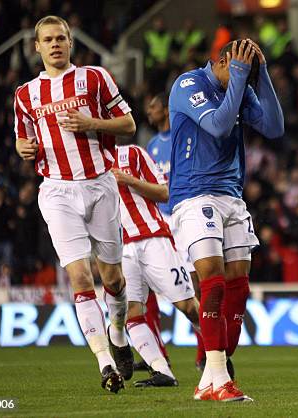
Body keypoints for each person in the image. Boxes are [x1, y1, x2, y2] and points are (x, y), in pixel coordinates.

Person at [13, 15, 136, 393]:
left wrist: (92, 123)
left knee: (113, 279)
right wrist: (22, 149)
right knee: (80, 278)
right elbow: (23, 142)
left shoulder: (95, 78)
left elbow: (129, 125)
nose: (54, 44)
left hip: (100, 184)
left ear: (70, 42)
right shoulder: (24, 95)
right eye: (47, 40)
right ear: (36, 47)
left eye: (61, 38)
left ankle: (118, 332)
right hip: (57, 191)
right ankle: (105, 364)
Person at [168, 39, 284, 401]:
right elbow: (218, 126)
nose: (243, 79)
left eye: (247, 74)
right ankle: (219, 379)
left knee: (238, 288)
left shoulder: (241, 86)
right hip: (194, 194)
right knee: (213, 284)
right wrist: (238, 75)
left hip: (232, 196)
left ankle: (210, 375)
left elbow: (275, 127)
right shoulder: (188, 85)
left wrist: (260, 74)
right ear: (222, 61)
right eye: (238, 69)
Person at [111, 140, 200, 387]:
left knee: (187, 305)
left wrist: (128, 180)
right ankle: (163, 372)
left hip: (153, 239)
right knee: (133, 312)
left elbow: (164, 193)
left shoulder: (133, 153)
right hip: (122, 248)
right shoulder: (86, 169)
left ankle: (219, 358)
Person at [145, 93, 206, 371]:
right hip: (160, 221)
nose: (149, 111)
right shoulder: (151, 146)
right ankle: (155, 352)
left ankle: (204, 351)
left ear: (166, 110)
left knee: (195, 286)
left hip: (183, 217)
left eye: (154, 105)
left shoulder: (183, 139)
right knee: (144, 283)